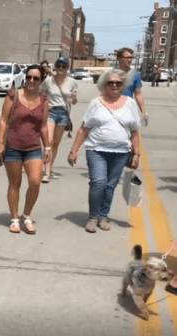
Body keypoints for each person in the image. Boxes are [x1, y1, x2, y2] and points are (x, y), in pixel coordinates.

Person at [67, 69, 140, 233]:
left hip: (121, 152)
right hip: (96, 150)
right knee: (98, 183)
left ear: (123, 85)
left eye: (118, 83)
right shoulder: (96, 103)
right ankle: (93, 217)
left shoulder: (130, 103)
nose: (114, 85)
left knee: (110, 186)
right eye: (111, 82)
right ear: (104, 84)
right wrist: (74, 151)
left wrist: (136, 153)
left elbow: (135, 131)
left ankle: (103, 216)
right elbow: (83, 129)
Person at [0, 65, 51, 234]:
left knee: (35, 181)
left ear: (41, 81)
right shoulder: (14, 95)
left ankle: (26, 215)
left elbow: (44, 126)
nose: (31, 81)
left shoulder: (44, 99)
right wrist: (0, 142)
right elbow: (4, 120)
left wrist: (47, 146)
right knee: (15, 184)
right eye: (29, 77)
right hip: (12, 147)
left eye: (36, 78)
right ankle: (14, 219)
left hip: (33, 147)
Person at [40, 57, 78, 183]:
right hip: (50, 112)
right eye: (58, 66)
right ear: (55, 67)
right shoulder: (48, 81)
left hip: (63, 113)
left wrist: (73, 99)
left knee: (56, 143)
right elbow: (42, 96)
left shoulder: (72, 82)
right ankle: (45, 172)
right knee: (49, 141)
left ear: (67, 68)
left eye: (64, 66)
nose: (61, 69)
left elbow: (74, 102)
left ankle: (49, 168)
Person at [116, 48, 147, 124]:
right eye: (126, 57)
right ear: (119, 58)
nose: (129, 60)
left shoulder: (136, 74)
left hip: (128, 110)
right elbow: (104, 94)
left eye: (131, 57)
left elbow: (138, 94)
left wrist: (143, 112)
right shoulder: (111, 74)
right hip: (112, 109)